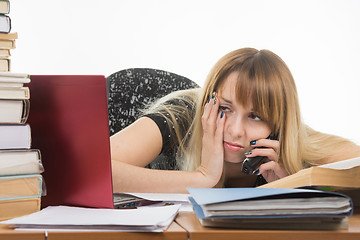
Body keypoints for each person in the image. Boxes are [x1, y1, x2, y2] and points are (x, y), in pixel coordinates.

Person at [110, 48, 360, 193]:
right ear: (210, 100)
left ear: (278, 125)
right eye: (226, 107)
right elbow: (93, 168)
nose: (235, 130)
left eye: (256, 116)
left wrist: (291, 187)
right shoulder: (183, 113)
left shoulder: (290, 140)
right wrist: (201, 177)